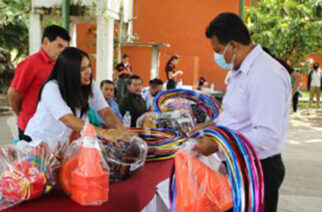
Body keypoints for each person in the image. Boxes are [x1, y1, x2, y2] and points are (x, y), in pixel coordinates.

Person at [192, 13, 291, 212]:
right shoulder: (241, 71)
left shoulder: (264, 74)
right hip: (238, 165)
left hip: (257, 170)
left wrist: (218, 144)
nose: (218, 57)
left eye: (219, 51)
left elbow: (266, 135)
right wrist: (209, 128)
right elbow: (237, 118)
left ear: (234, 46)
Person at [24, 47, 126, 145]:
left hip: (63, 145)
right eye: (82, 69)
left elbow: (105, 111)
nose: (89, 72)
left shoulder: (90, 84)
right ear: (69, 72)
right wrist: (103, 132)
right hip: (39, 142)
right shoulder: (51, 88)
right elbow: (68, 119)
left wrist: (122, 131)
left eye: (89, 66)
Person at [7, 25, 70, 142]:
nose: (62, 51)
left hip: (52, 129)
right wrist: (22, 113)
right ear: (46, 42)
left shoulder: (60, 66)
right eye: (59, 46)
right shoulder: (31, 63)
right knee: (31, 160)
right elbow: (13, 93)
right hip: (30, 128)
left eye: (65, 48)